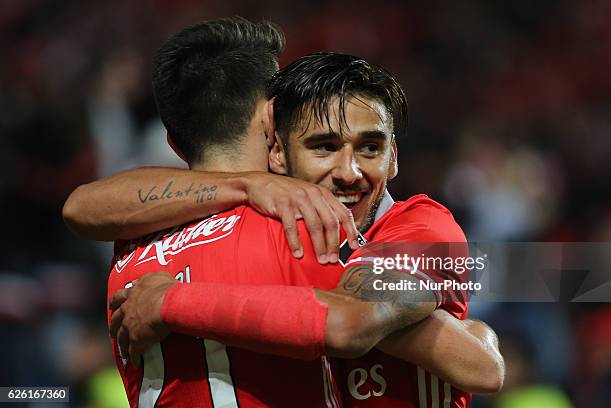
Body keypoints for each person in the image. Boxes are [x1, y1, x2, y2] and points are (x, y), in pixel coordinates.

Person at [64, 18, 504, 407]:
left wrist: (170, 300)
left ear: (175, 145)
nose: (348, 171)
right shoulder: (295, 229)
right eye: (324, 146)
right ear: (276, 131)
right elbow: (474, 364)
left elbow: (80, 206)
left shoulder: (132, 243)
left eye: (369, 147)